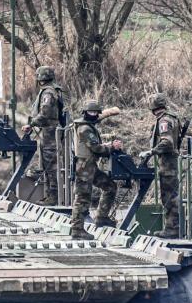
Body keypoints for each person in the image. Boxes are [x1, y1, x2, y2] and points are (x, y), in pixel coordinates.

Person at [71, 100, 122, 239]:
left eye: (95, 112)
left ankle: (101, 217)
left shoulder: (87, 125)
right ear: (85, 113)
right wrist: (111, 147)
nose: (93, 114)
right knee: (82, 198)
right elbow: (96, 148)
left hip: (90, 166)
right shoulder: (85, 128)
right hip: (84, 168)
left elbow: (94, 145)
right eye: (90, 112)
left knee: (110, 186)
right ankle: (77, 229)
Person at [138, 93, 183, 239]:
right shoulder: (171, 117)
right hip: (168, 162)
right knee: (170, 196)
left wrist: (151, 151)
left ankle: (172, 229)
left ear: (153, 107)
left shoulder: (164, 120)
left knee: (169, 197)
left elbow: (167, 142)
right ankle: (172, 228)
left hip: (168, 163)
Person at [22, 66, 64, 204]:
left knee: (50, 166)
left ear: (40, 78)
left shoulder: (48, 93)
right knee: (47, 164)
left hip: (50, 133)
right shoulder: (52, 90)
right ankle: (50, 196)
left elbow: (45, 113)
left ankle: (53, 198)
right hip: (48, 132)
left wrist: (32, 123)